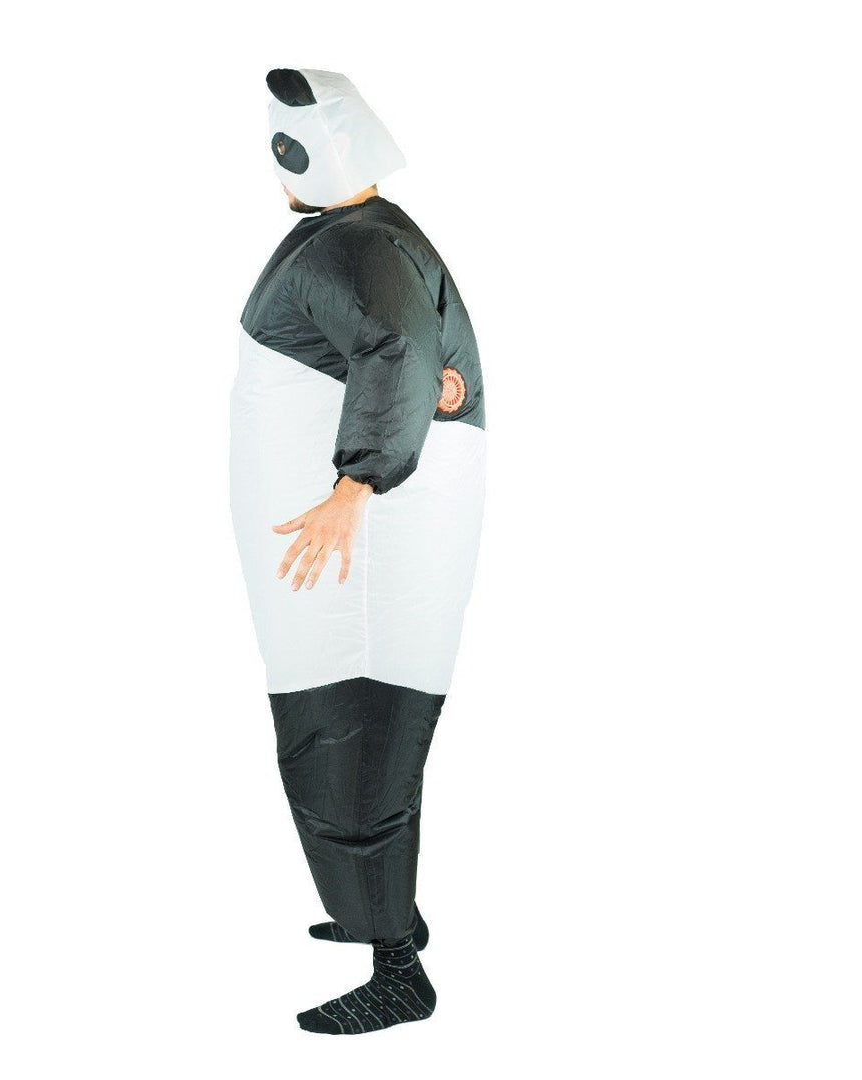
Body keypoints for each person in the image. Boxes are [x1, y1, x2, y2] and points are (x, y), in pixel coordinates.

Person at [229, 67, 486, 1034]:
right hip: (361, 552)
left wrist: (354, 488)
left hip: (363, 550)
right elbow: (421, 359)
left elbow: (398, 354)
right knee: (346, 733)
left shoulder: (357, 244)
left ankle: (396, 971)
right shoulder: (363, 236)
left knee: (347, 731)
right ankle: (378, 905)